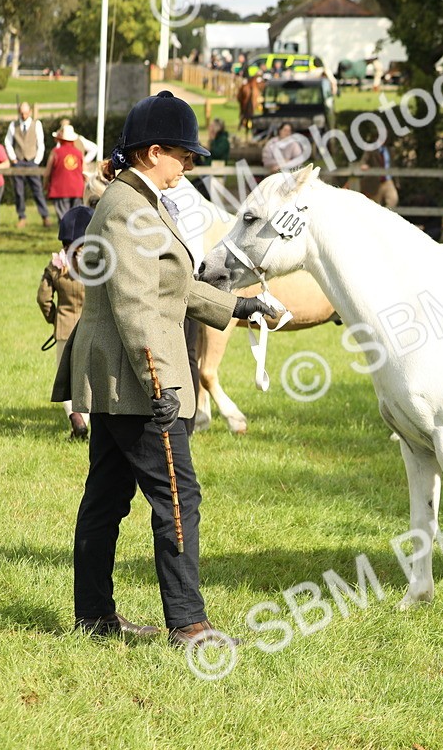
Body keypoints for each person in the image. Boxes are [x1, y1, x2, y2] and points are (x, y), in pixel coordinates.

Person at [51, 90, 280, 646]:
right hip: (138, 381)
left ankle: (95, 618)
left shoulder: (137, 199)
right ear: (154, 152)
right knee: (179, 498)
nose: (192, 165)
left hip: (120, 378)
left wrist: (237, 307)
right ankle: (189, 624)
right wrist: (160, 382)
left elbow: (172, 285)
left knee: (106, 497)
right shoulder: (130, 208)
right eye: (186, 155)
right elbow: (135, 304)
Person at [37, 177, 106, 440]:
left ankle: (76, 418)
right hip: (93, 326)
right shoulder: (98, 262)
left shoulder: (57, 264)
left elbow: (43, 297)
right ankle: (93, 420)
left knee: (66, 377)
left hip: (65, 329)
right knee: (92, 376)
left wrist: (54, 318)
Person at [5, 101, 50, 228]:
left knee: (37, 190)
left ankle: (45, 216)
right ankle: (22, 217)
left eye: (25, 113)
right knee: (19, 191)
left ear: (30, 112)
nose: (23, 115)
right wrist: (13, 158)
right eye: (21, 113)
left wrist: (36, 161)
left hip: (32, 161)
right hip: (18, 161)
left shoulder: (37, 124)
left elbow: (40, 144)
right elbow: (8, 142)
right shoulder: (13, 125)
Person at [46, 124, 86, 223]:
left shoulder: (55, 152)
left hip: (60, 189)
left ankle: (67, 238)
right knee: (76, 220)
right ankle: (75, 238)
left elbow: (47, 173)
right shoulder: (79, 153)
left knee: (64, 220)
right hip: (77, 189)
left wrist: (45, 185)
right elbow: (84, 172)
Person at [193, 118, 231, 201]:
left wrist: (211, 142)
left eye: (211, 126)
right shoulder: (217, 140)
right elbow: (210, 156)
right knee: (193, 186)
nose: (209, 128)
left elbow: (216, 154)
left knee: (196, 189)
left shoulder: (223, 141)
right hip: (209, 172)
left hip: (215, 174)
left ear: (216, 128)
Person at [360, 134, 399, 209]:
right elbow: (363, 161)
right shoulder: (370, 150)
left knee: (393, 199)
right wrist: (364, 165)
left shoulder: (389, 150)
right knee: (375, 204)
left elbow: (393, 165)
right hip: (375, 181)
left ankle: (385, 217)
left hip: (388, 180)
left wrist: (396, 181)